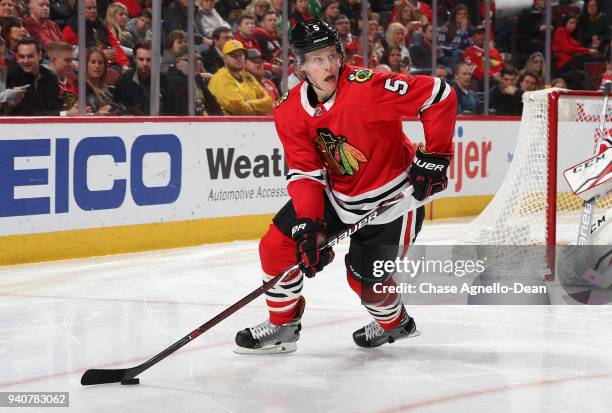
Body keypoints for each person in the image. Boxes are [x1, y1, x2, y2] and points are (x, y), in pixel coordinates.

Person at [234, 18, 456, 353]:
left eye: (332, 55)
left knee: (367, 284)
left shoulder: (368, 88)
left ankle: (396, 324)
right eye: (317, 59)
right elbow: (306, 173)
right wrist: (308, 226)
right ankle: (283, 326)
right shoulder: (290, 111)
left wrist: (436, 156)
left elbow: (439, 95)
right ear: (301, 66)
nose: (329, 65)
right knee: (277, 247)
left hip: (394, 199)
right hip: (337, 196)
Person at [207, 39, 272, 115]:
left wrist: (250, 103)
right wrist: (259, 108)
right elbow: (240, 109)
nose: (238, 58)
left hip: (250, 124)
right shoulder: (220, 79)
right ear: (224, 59)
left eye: (241, 55)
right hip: (227, 125)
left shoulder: (248, 76)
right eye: (234, 56)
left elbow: (269, 103)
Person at [62, 0, 129, 72]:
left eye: (94, 8)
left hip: (109, 64)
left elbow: (115, 45)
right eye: (89, 8)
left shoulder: (101, 24)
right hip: (88, 67)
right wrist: (99, 54)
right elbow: (66, 51)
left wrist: (124, 64)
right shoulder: (71, 28)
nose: (93, 11)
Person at [6, 37, 63, 115]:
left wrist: (70, 109)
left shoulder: (50, 77)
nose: (25, 61)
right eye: (22, 57)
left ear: (40, 55)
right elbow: (28, 114)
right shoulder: (12, 76)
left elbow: (56, 107)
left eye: (30, 56)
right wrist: (64, 114)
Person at [113, 41, 173, 115]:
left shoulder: (164, 81)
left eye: (149, 60)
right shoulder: (124, 81)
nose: (145, 63)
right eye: (141, 59)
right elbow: (117, 107)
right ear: (135, 59)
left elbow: (171, 110)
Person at [165, 45, 222, 116]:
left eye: (198, 59)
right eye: (190, 60)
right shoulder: (171, 82)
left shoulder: (197, 77)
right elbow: (181, 111)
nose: (196, 63)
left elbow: (212, 104)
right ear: (178, 62)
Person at [46, 41, 81, 115]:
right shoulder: (43, 83)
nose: (71, 64)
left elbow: (72, 109)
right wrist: (66, 114)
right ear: (53, 60)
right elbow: (40, 114)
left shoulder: (69, 83)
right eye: (67, 60)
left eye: (72, 60)